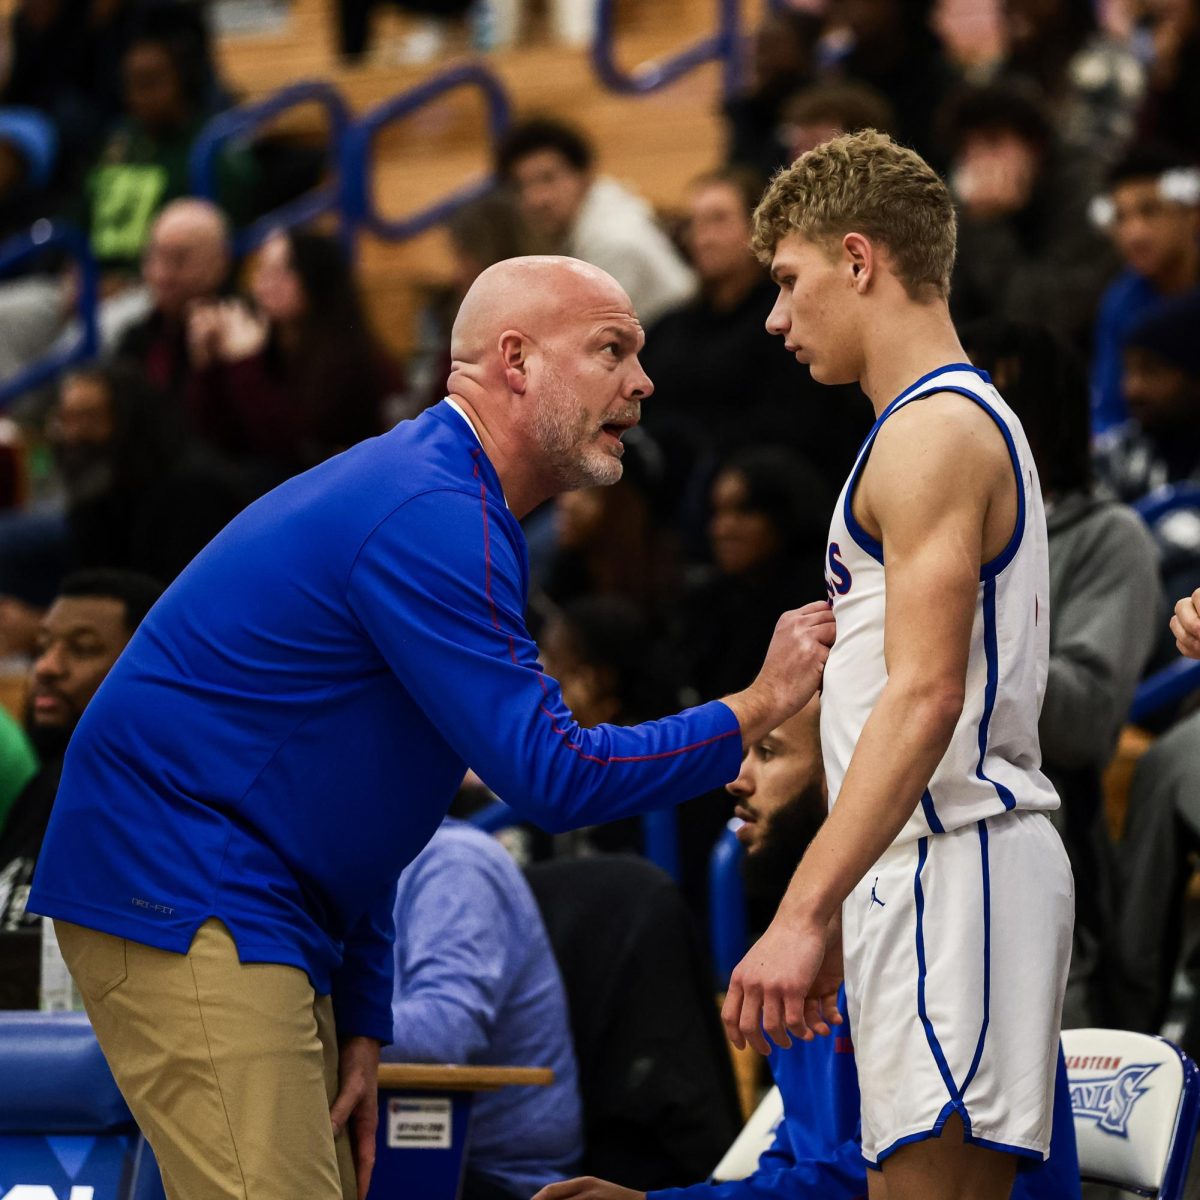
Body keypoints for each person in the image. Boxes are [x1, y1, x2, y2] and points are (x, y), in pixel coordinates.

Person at [27, 254, 835, 1200]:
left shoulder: (446, 501)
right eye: (612, 349)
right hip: (187, 885)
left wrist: (364, 1011)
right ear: (516, 360)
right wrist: (754, 707)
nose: (644, 381)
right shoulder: (433, 513)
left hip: (250, 897)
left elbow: (365, 801)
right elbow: (553, 777)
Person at [722, 131, 1073, 1200]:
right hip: (924, 866)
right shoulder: (922, 432)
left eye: (790, 280)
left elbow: (925, 695)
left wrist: (801, 910)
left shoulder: (934, 434)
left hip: (953, 857)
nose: (777, 318)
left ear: (861, 259)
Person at [533, 704, 1081, 1200]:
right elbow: (798, 1158)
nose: (737, 779)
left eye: (768, 752)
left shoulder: (939, 933)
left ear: (850, 779)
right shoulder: (796, 955)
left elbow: (885, 1174)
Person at [963, 318, 1161, 1026]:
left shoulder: (1112, 539)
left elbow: (1081, 721)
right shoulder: (917, 527)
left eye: (994, 400)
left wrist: (956, 622)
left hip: (1042, 845)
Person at [639, 168, 870, 507]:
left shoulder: (785, 321)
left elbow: (794, 427)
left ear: (758, 230)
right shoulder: (670, 325)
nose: (702, 237)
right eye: (694, 223)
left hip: (761, 499)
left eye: (718, 220)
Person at [385, 817, 582, 1200]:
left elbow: (445, 1033)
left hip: (486, 1175)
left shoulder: (455, 863)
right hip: (400, 1150)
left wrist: (300, 1021)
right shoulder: (345, 873)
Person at [0, 569, 163, 1008]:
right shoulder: (44, 784)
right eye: (42, 647)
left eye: (83, 648)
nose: (48, 667)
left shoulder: (162, 797)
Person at [185, 228, 399, 483]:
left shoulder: (352, 361)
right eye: (261, 269)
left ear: (314, 278)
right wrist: (207, 366)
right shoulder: (266, 345)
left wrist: (244, 363)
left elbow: (293, 448)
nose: (262, 282)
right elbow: (219, 437)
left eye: (280, 271)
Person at [943, 80, 1118, 353]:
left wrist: (989, 227)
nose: (979, 161)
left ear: (1036, 146)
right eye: (968, 149)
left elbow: (1050, 316)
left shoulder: (1085, 190)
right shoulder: (973, 207)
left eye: (993, 142)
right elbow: (953, 317)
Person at [496, 120, 696, 326]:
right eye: (521, 187)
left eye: (548, 179)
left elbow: (592, 339)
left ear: (585, 175)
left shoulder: (612, 241)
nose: (536, 199)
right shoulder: (605, 212)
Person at [1090, 146, 1200, 434]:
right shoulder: (1120, 301)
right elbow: (1109, 412)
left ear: (1193, 214)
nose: (1134, 233)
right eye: (1121, 218)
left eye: (1149, 211)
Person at [114, 198, 234, 410]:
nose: (162, 274)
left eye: (179, 259)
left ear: (220, 263)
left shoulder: (246, 344)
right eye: (154, 256)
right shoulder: (136, 339)